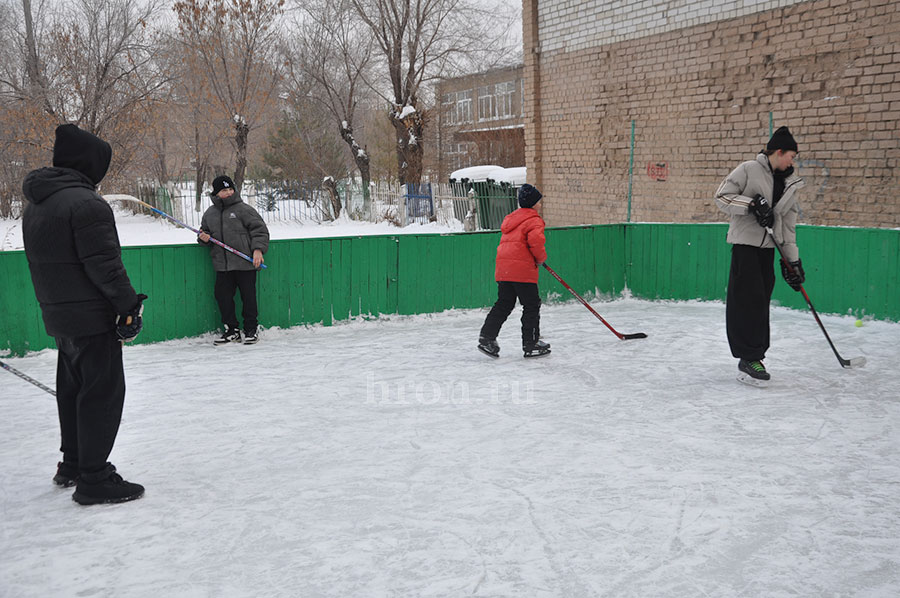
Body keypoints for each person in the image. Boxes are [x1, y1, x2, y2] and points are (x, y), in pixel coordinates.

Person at [22, 123, 146, 505]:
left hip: (60, 316)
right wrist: (128, 305)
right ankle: (94, 477)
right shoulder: (86, 205)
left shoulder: (39, 203)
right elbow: (105, 265)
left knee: (73, 390)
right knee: (102, 394)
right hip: (92, 317)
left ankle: (73, 463)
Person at [715, 126, 806, 382]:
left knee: (761, 300)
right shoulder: (748, 170)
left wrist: (793, 263)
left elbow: (787, 228)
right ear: (779, 151)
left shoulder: (790, 184)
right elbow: (721, 196)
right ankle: (748, 358)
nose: (792, 160)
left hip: (768, 250)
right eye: (791, 155)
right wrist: (752, 205)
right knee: (747, 301)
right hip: (745, 246)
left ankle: (756, 354)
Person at [478, 183, 551, 358]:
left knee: (504, 303)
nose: (540, 205)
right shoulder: (534, 220)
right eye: (539, 202)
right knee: (531, 305)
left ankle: (487, 337)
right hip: (523, 271)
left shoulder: (511, 220)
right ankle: (531, 343)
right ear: (533, 204)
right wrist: (541, 259)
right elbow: (536, 242)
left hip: (504, 270)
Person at [198, 175, 269, 345]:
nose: (228, 193)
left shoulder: (244, 209)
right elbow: (203, 233)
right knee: (222, 297)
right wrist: (203, 238)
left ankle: (251, 329)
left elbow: (260, 230)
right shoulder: (210, 214)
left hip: (245, 264)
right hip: (223, 265)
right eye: (224, 190)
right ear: (216, 193)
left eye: (230, 189)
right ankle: (232, 330)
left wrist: (258, 250)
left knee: (248, 297)